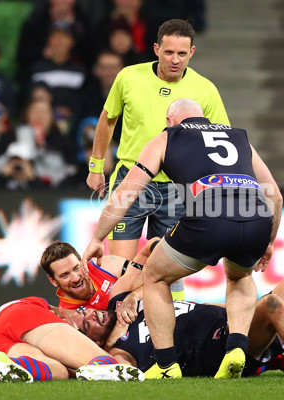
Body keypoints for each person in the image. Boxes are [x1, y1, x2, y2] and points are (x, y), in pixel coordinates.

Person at [83, 98, 282, 380]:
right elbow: (274, 193)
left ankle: (166, 366)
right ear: (206, 120)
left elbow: (127, 192)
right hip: (257, 219)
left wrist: (97, 237)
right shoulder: (238, 136)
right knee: (239, 276)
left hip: (209, 218)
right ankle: (236, 348)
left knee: (153, 276)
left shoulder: (167, 138)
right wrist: (269, 241)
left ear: (170, 120)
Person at [83, 255, 284, 380]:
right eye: (86, 324)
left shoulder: (121, 304)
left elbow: (152, 255)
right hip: (226, 348)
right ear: (93, 342)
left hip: (238, 319)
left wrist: (135, 294)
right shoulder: (119, 350)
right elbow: (113, 368)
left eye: (86, 312)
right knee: (271, 304)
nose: (91, 315)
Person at [86, 19, 229, 262]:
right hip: (130, 179)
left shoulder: (206, 90)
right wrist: (95, 166)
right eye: (169, 52)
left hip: (176, 187)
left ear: (192, 52)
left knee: (165, 273)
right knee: (120, 266)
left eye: (182, 53)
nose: (175, 60)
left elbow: (221, 140)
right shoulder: (129, 77)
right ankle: (122, 301)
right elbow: (107, 119)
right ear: (156, 49)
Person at [0, 296, 144, 382]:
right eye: (86, 313)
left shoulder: (61, 324)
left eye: (89, 324)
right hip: (19, 314)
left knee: (59, 371)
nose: (91, 314)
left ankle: (8, 364)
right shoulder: (60, 315)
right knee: (113, 367)